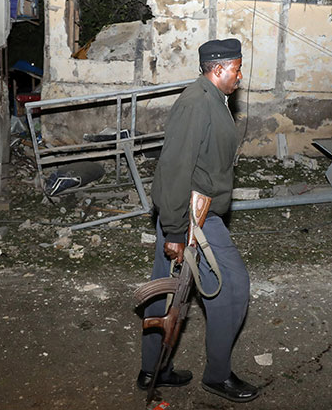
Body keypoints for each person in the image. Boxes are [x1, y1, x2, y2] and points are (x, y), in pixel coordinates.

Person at [137, 38, 259, 403]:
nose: (240, 76)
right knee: (233, 288)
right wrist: (175, 230)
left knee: (167, 292)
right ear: (218, 69)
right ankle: (218, 376)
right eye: (237, 68)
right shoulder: (196, 103)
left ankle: (153, 370)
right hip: (192, 217)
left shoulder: (211, 99)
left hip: (188, 214)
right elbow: (174, 167)